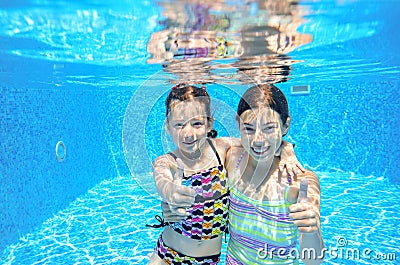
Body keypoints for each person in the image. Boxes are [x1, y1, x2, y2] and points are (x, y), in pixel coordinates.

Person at [148, 83, 302, 264]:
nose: (188, 133)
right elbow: (162, 177)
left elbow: (259, 141)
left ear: (209, 123)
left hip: (209, 260)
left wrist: (287, 149)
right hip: (167, 256)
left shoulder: (222, 149)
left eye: (197, 123)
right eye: (179, 125)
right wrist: (170, 192)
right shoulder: (167, 161)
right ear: (167, 126)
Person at [225, 84, 324, 264]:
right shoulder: (232, 159)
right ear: (238, 124)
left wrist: (311, 229)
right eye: (249, 128)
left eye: (269, 128)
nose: (258, 140)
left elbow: (314, 260)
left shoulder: (300, 180)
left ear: (285, 126)